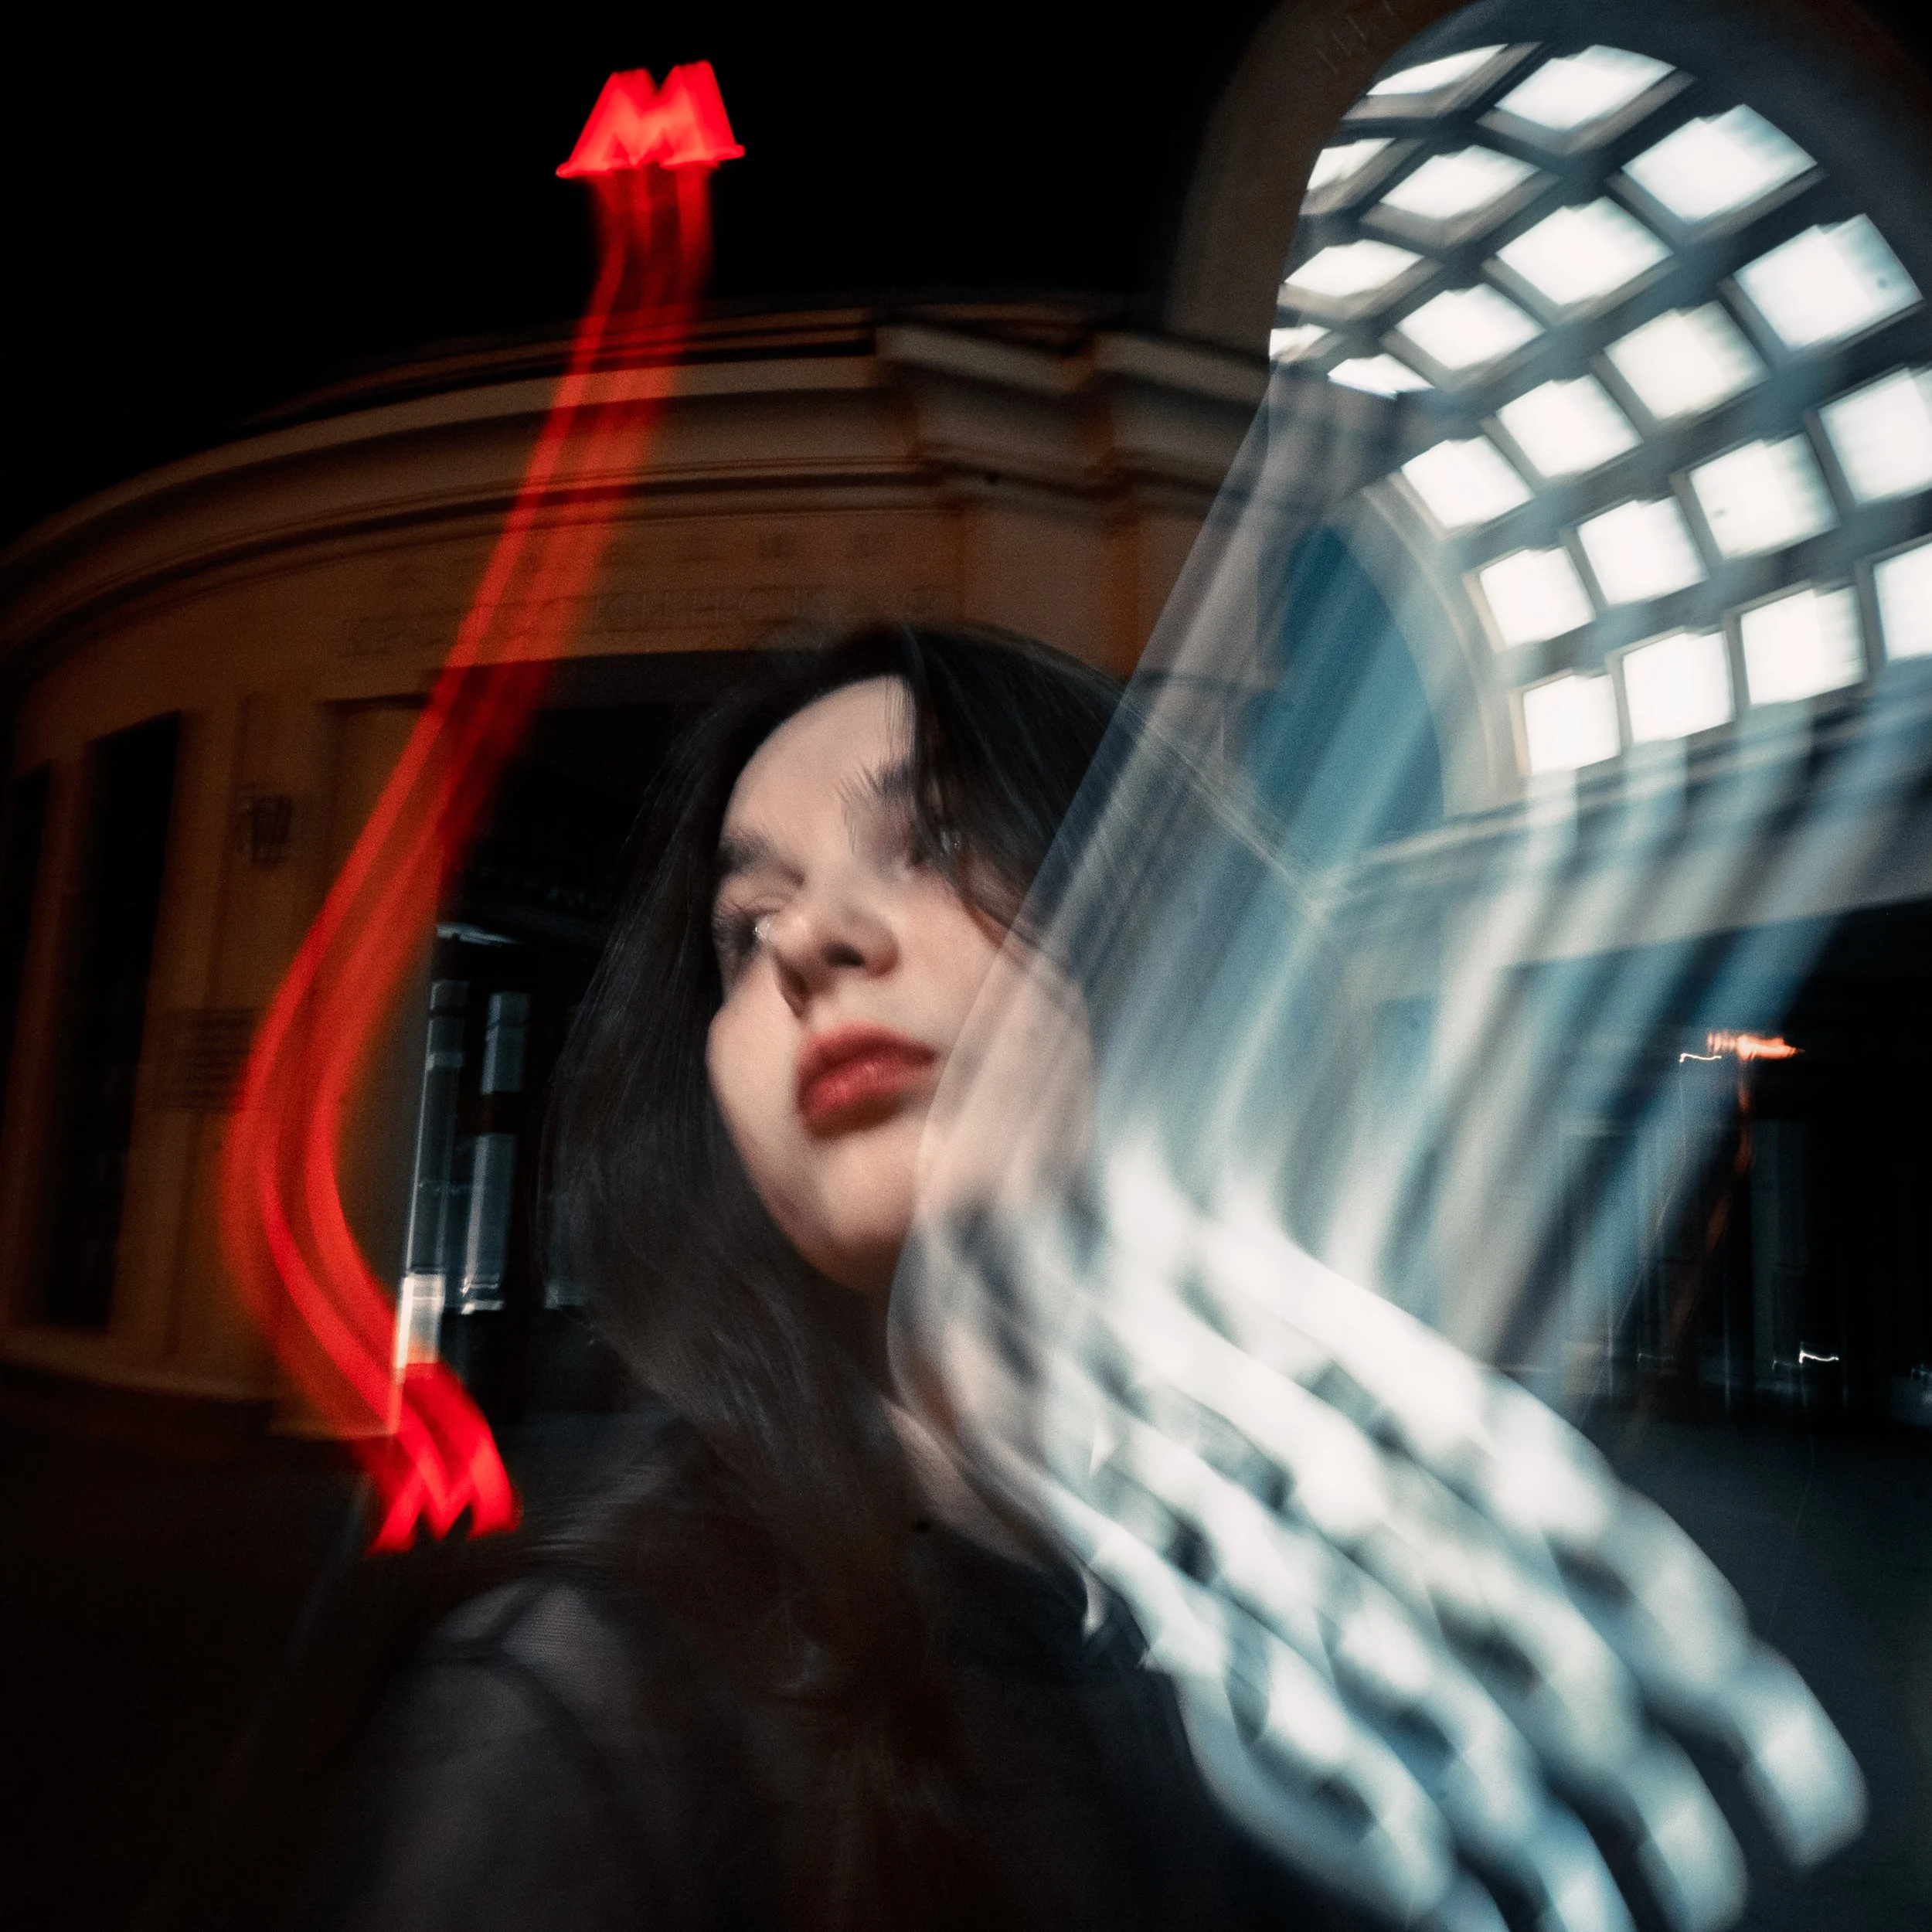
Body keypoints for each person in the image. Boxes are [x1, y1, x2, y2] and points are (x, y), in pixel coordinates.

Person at [294, 624, 1350, 1932]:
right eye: (746, 927)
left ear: (1163, 931)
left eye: (940, 843)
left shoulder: (1339, 1616)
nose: (811, 942)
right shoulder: (577, 1714)